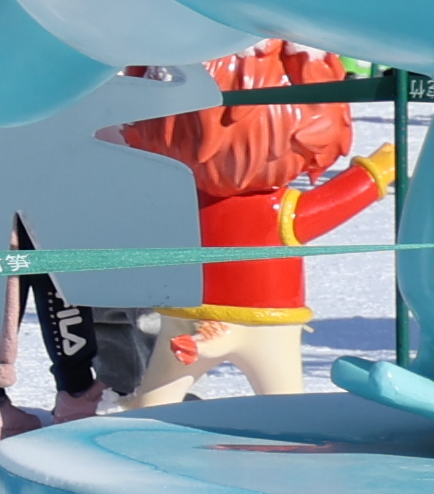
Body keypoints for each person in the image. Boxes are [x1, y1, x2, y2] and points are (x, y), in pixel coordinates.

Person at [112, 42, 391, 403]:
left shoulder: (186, 200)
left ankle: (140, 420)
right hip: (252, 318)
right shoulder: (266, 208)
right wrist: (372, 177)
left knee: (164, 393)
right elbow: (319, 212)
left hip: (202, 314)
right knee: (283, 402)